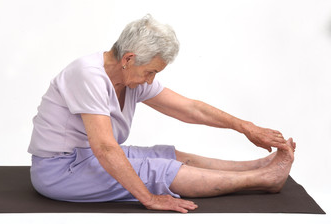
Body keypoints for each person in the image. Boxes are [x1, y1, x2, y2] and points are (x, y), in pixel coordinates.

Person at [28, 14, 296, 213]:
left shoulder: (129, 77)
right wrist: (149, 198)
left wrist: (245, 126)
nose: (150, 80)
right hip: (61, 171)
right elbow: (106, 149)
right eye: (151, 72)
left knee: (165, 154)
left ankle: (255, 166)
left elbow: (191, 109)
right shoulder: (88, 75)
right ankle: (263, 179)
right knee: (157, 170)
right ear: (129, 59)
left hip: (86, 157)